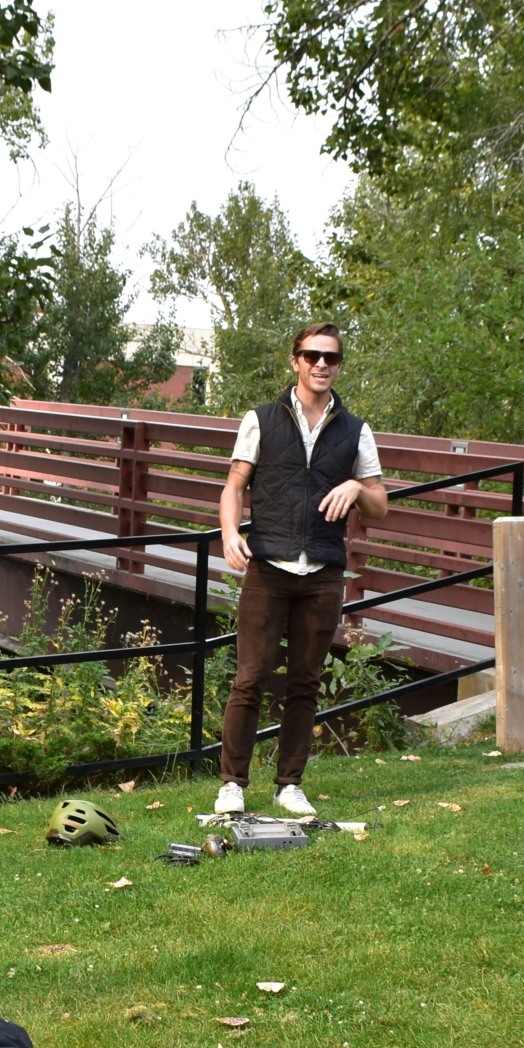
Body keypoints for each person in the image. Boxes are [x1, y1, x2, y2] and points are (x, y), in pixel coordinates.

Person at [213, 324, 387, 817]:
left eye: (330, 357)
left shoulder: (356, 430)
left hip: (324, 575)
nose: (321, 364)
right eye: (311, 355)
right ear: (295, 361)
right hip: (268, 567)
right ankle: (232, 784)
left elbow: (380, 505)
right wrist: (230, 533)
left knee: (305, 683)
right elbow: (233, 485)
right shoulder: (262, 419)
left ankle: (289, 784)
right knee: (250, 677)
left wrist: (356, 487)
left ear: (338, 365)